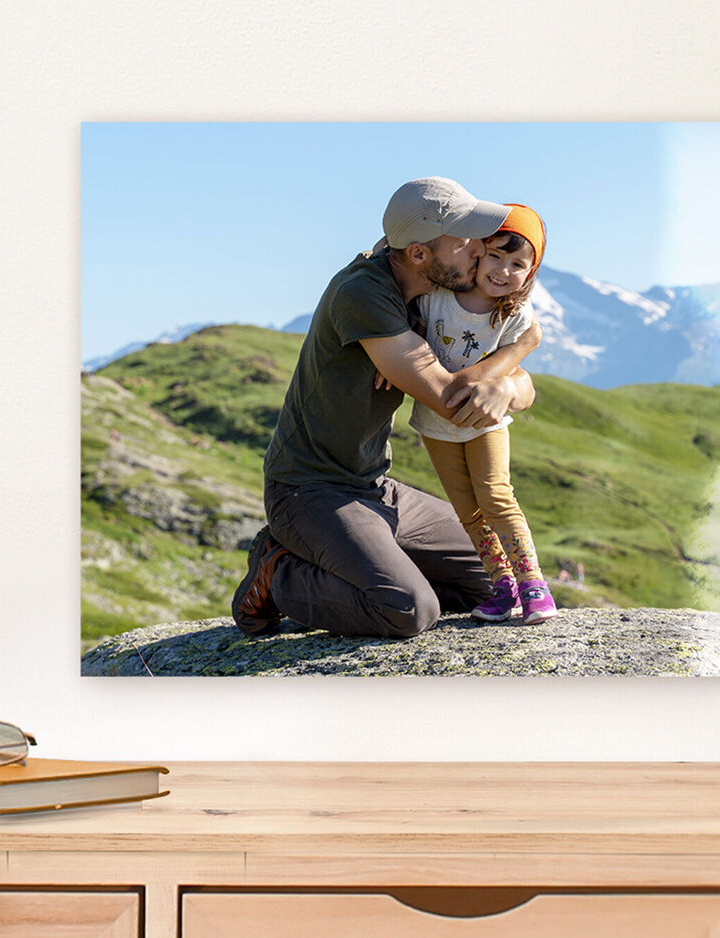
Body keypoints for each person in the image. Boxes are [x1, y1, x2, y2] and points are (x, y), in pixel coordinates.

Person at [231, 177, 541, 639]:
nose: (480, 250)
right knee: (409, 610)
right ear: (419, 253)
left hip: (373, 486)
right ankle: (279, 572)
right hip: (310, 491)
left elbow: (484, 380)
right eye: (465, 242)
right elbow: (453, 401)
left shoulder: (423, 287)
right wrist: (520, 359)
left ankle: (363, 558)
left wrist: (511, 384)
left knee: (490, 582)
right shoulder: (365, 294)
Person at [402, 204, 557, 625]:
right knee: (468, 511)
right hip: (435, 426)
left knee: (496, 497)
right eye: (496, 256)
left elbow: (508, 373)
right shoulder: (437, 298)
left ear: (531, 272)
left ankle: (534, 584)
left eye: (518, 264)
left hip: (487, 425)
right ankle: (502, 587)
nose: (503, 271)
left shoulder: (515, 317)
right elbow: (409, 334)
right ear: (478, 252)